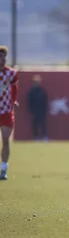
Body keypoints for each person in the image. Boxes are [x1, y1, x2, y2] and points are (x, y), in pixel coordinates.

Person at [0, 46, 18, 180]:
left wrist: (14, 100)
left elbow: (14, 87)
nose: (2, 59)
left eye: (3, 57)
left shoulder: (11, 73)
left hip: (6, 111)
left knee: (5, 139)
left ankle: (4, 168)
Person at [27, 75, 48, 141]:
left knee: (43, 124)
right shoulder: (31, 91)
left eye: (38, 82)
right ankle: (36, 137)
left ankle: (44, 137)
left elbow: (45, 101)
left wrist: (45, 110)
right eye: (35, 82)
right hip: (34, 111)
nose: (36, 83)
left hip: (41, 111)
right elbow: (29, 102)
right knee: (35, 125)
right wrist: (31, 111)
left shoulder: (42, 91)